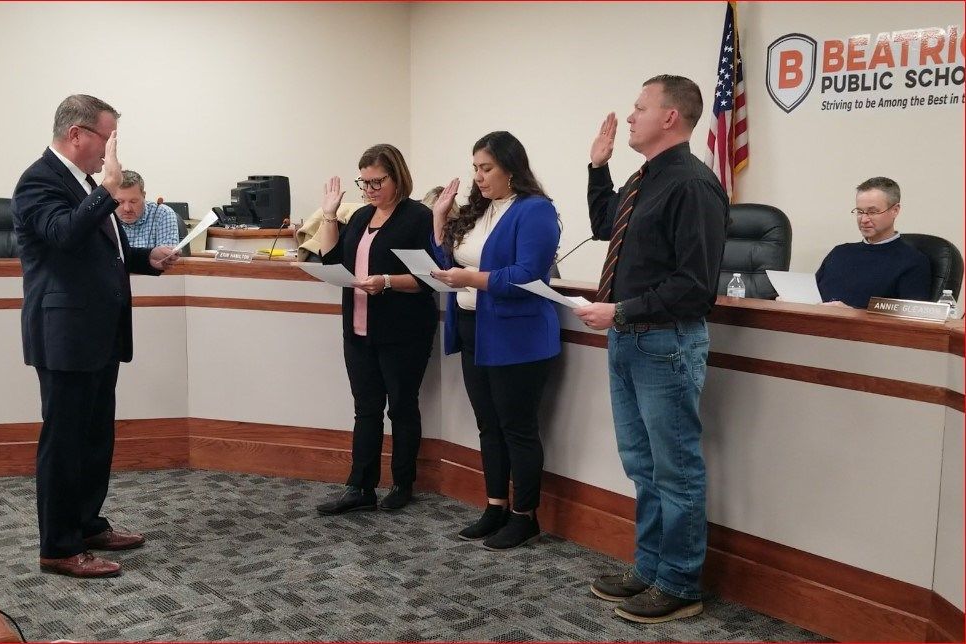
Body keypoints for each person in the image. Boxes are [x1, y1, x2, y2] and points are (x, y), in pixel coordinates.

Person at [574, 75, 728, 623]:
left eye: (641, 107)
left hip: (665, 344)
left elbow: (695, 286)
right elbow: (602, 226)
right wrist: (598, 167)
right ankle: (651, 568)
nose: (630, 116)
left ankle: (681, 584)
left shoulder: (692, 185)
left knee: (675, 469)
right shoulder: (645, 180)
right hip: (628, 341)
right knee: (642, 465)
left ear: (671, 118)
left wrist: (622, 311)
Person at [12, 95, 180, 578]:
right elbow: (63, 235)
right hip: (64, 334)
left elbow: (106, 252)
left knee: (94, 437)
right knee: (65, 441)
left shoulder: (88, 185)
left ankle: (86, 523)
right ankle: (59, 548)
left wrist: (146, 261)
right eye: (108, 138)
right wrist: (105, 190)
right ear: (78, 135)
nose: (112, 151)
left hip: (100, 334)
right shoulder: (38, 181)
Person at [428, 131, 561, 551]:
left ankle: (525, 516)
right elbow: (447, 264)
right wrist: (439, 220)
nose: (479, 177)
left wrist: (474, 280)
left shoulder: (535, 210)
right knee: (488, 424)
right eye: (475, 169)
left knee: (517, 427)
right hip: (473, 328)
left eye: (486, 169)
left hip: (517, 333)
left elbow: (527, 276)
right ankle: (495, 505)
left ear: (510, 168)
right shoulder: (479, 210)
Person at [310, 144, 438, 515]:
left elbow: (429, 279)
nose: (369, 189)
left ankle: (402, 483)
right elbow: (332, 259)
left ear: (397, 176)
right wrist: (330, 215)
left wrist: (387, 281)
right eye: (363, 182)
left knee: (401, 406)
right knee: (365, 409)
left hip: (403, 329)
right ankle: (359, 486)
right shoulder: (363, 216)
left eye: (377, 181)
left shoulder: (418, 217)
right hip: (359, 327)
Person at [813, 177, 930, 307]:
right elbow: (813, 295)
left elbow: (910, 320)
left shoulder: (913, 262)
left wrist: (851, 314)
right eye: (859, 212)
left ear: (895, 210)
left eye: (872, 212)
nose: (864, 219)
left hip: (862, 327)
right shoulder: (839, 253)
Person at [113, 169, 183, 248]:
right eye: (120, 202)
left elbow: (166, 258)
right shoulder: (105, 217)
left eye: (133, 201)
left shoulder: (162, 213)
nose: (127, 209)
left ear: (144, 196)